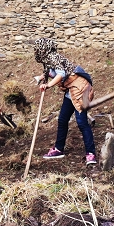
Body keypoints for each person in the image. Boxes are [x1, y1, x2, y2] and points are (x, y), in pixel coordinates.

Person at [33, 38, 97, 166]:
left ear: (43, 49)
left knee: (81, 122)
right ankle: (58, 149)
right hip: (71, 91)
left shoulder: (53, 57)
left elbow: (61, 74)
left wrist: (49, 85)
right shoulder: (48, 60)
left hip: (82, 88)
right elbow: (50, 72)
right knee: (62, 119)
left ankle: (91, 154)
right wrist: (40, 78)